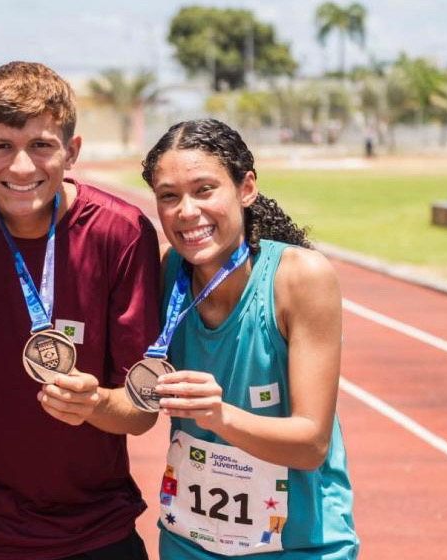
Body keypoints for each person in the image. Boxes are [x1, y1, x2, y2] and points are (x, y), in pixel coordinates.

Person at [0, 61, 161, 559]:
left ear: (71, 152)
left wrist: (94, 405)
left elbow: (141, 411)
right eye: (2, 146)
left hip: (94, 523)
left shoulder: (122, 232)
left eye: (41, 146)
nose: (22, 167)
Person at [141, 119, 358, 559]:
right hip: (189, 543)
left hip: (299, 545)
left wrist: (218, 416)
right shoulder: (166, 273)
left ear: (246, 189)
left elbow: (312, 443)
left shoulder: (299, 278)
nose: (186, 211)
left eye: (204, 189)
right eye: (169, 196)